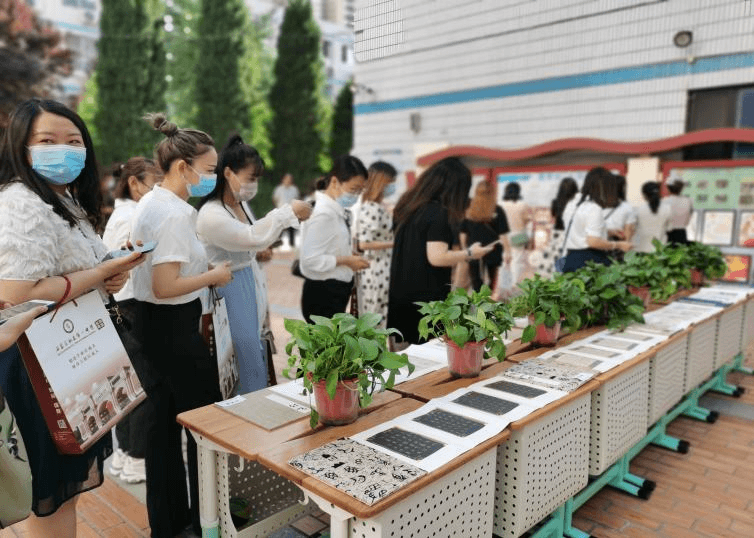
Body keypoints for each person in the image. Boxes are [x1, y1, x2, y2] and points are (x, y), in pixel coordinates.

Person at [0, 98, 144, 538]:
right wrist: (99, 273)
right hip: (38, 367)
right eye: (48, 141)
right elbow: (14, 293)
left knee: (65, 492)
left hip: (71, 359)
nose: (64, 150)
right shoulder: (21, 204)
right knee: (51, 499)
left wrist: (108, 277)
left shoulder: (63, 201)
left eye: (74, 141)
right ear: (23, 149)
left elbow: (76, 272)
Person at [129, 113, 232, 538]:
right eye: (208, 171)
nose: (211, 179)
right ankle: (207, 516)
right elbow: (166, 284)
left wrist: (199, 267)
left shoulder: (155, 203)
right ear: (182, 167)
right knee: (202, 423)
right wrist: (212, 276)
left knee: (164, 429)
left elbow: (163, 270)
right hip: (172, 327)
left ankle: (173, 522)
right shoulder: (173, 214)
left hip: (153, 325)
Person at [197, 135, 311, 394]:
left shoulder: (240, 205)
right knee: (240, 357)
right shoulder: (211, 214)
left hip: (248, 284)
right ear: (228, 173)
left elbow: (248, 242)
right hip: (229, 292)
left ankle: (256, 409)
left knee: (254, 353)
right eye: (251, 178)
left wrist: (257, 253)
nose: (254, 184)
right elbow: (250, 236)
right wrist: (288, 212)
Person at [388, 157, 494, 345]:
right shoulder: (438, 213)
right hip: (426, 302)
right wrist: (470, 253)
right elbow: (437, 257)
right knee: (427, 360)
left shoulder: (407, 206)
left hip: (401, 295)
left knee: (405, 360)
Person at [101, 157, 160, 485]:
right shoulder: (133, 215)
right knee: (143, 383)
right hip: (130, 305)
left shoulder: (121, 213)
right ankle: (137, 457)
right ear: (134, 183)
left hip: (119, 306)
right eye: (153, 182)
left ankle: (125, 452)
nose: (156, 190)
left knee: (126, 383)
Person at [299, 156, 369, 323]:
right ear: (335, 182)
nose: (356, 196)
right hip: (324, 295)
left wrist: (348, 256)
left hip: (332, 292)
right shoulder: (324, 213)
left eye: (360, 191)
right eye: (354, 189)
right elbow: (310, 260)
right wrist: (347, 261)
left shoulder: (335, 210)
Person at [561, 167, 632, 272]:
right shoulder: (594, 208)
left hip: (570, 259)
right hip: (589, 263)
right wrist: (619, 245)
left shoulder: (572, 204)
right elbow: (593, 242)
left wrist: (607, 231)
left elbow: (579, 229)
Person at [354, 161, 397, 327]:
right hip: (375, 271)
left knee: (378, 320)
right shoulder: (371, 207)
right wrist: (394, 243)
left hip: (381, 270)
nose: (392, 186)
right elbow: (364, 243)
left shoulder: (378, 205)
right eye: (390, 182)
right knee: (374, 322)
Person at [459, 181, 511, 291]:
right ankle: (487, 300)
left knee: (476, 279)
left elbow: (463, 233)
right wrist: (508, 251)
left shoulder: (469, 211)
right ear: (492, 193)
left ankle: (479, 302)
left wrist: (465, 249)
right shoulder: (497, 210)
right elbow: (502, 234)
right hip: (493, 249)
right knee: (491, 279)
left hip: (474, 249)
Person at [538, 177, 578, 277]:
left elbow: (553, 216)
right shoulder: (577, 203)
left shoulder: (555, 202)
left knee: (554, 262)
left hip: (557, 234)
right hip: (572, 235)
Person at [499, 182, 531, 293]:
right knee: (517, 259)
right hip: (519, 234)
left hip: (504, 235)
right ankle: (514, 284)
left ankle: (505, 283)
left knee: (504, 259)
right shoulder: (523, 205)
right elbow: (527, 220)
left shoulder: (501, 205)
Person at [633, 181, 672, 253]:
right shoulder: (668, 209)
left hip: (641, 248)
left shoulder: (638, 210)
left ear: (644, 195)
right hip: (660, 249)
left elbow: (633, 228)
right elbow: (669, 228)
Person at [604, 175, 637, 242]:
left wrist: (609, 231)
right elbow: (628, 232)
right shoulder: (627, 207)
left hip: (599, 243)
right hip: (618, 245)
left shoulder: (599, 205)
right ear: (623, 188)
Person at [273, 173, 300, 249]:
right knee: (279, 228)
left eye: (290, 179)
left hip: (291, 211)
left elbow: (297, 199)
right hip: (281, 211)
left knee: (292, 228)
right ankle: (277, 244)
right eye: (287, 179)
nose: (288, 180)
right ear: (283, 179)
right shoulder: (279, 189)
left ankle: (292, 244)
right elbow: (275, 199)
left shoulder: (294, 189)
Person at [665, 179, 693, 244]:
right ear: (681, 189)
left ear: (668, 188)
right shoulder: (688, 201)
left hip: (668, 234)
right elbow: (689, 217)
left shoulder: (664, 202)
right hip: (682, 233)